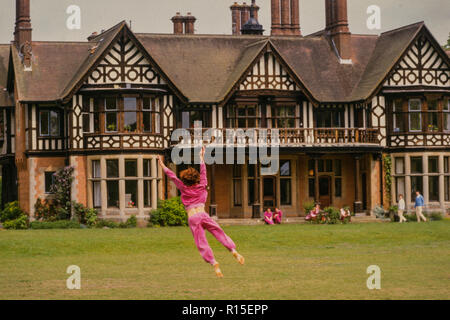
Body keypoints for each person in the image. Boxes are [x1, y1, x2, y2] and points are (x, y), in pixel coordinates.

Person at [158, 146, 245, 278]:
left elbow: (171, 175)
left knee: (201, 241)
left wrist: (161, 163)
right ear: (196, 178)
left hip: (193, 217)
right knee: (218, 231)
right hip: (203, 214)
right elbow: (203, 170)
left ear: (185, 180)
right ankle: (233, 250)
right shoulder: (202, 184)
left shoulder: (183, 187)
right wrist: (201, 155)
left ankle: (213, 262)